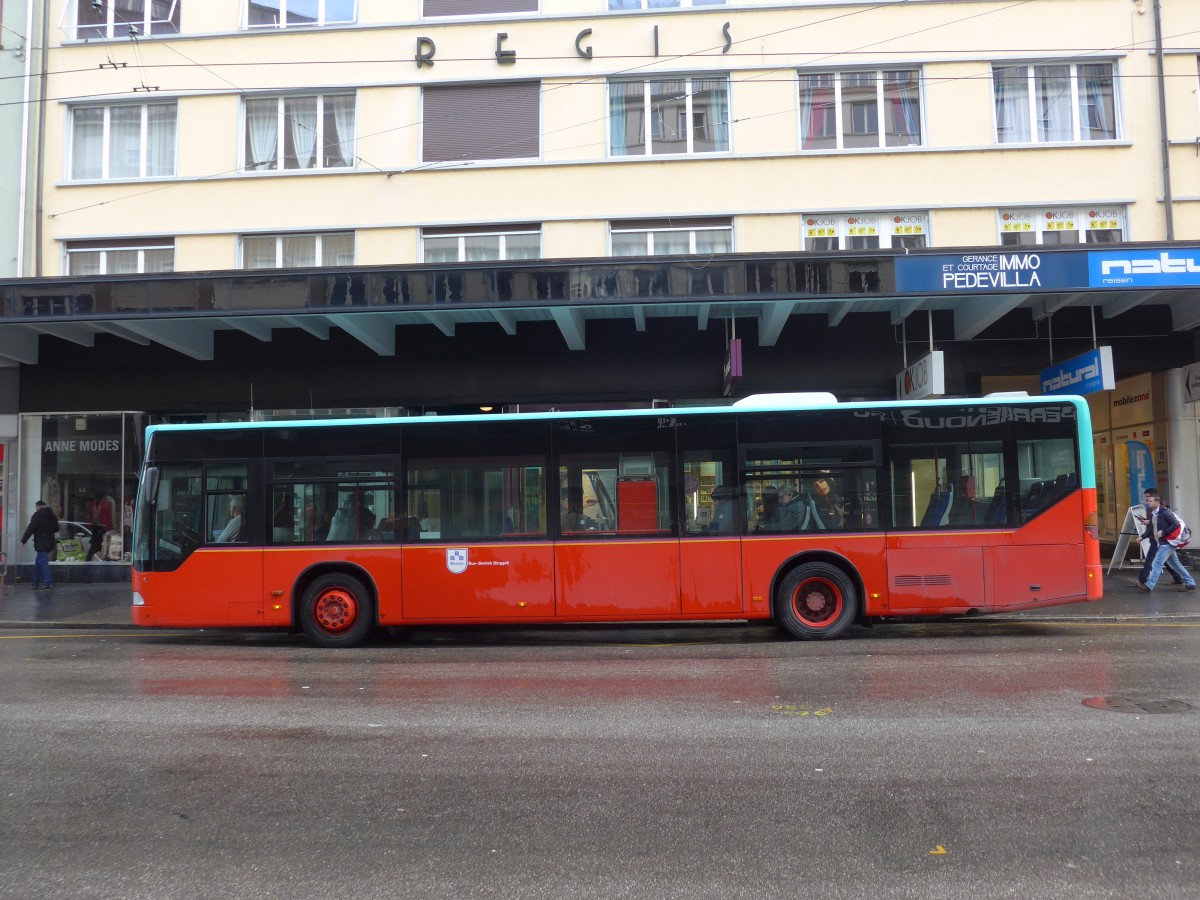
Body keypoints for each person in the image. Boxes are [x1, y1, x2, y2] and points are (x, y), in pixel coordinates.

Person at [1138, 489, 1196, 593]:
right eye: (1148, 501)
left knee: (1157, 563)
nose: (1148, 502)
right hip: (1163, 542)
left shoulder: (1165, 512)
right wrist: (1142, 536)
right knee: (1175, 564)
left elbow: (1176, 524)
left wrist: (1164, 532)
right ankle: (1190, 582)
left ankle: (1149, 585)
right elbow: (1152, 528)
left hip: (1167, 542)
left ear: (1157, 502)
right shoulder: (1153, 513)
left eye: (1150, 501)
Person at [21, 500, 59, 591]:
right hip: (50, 541)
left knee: (43, 563)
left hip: (41, 542)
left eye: (35, 507)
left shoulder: (37, 515)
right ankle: (35, 582)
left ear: (38, 506)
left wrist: (23, 540)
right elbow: (56, 528)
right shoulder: (52, 516)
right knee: (39, 563)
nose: (35, 509)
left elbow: (30, 529)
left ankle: (49, 583)